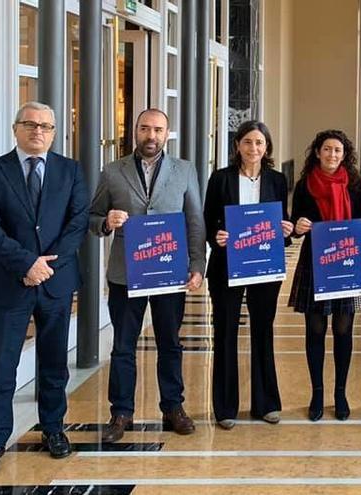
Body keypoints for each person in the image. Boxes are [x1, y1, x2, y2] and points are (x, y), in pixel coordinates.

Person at [0, 102, 89, 474]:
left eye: (46, 126)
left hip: (55, 283)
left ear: (55, 133)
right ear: (15, 128)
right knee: (2, 366)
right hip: (10, 283)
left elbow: (78, 221)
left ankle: (53, 429)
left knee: (54, 364)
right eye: (30, 124)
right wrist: (26, 263)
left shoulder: (71, 171)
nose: (38, 131)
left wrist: (46, 267)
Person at [90, 108, 207, 443]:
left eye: (157, 129)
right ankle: (121, 412)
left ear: (167, 133)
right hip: (126, 273)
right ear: (135, 131)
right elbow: (92, 216)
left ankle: (173, 407)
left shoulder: (184, 170)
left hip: (169, 272)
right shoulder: (113, 171)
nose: (151, 135)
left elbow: (194, 219)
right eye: (145, 128)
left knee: (170, 343)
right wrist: (105, 222)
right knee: (123, 346)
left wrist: (197, 265)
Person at [203, 121, 294, 429]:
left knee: (263, 332)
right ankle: (225, 407)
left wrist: (287, 229)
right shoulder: (221, 178)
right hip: (227, 266)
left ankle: (266, 403)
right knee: (225, 332)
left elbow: (283, 222)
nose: (253, 149)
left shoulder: (277, 180)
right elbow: (208, 220)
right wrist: (217, 235)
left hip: (265, 266)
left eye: (259, 143)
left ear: (266, 147)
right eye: (247, 142)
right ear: (237, 146)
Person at [289, 129, 361, 422]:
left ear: (344, 154)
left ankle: (340, 392)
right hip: (315, 261)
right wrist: (297, 225)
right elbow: (294, 223)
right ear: (317, 152)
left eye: (337, 150)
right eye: (327, 149)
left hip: (347, 260)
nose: (332, 155)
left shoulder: (355, 184)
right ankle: (317, 392)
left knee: (342, 331)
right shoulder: (304, 184)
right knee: (314, 330)